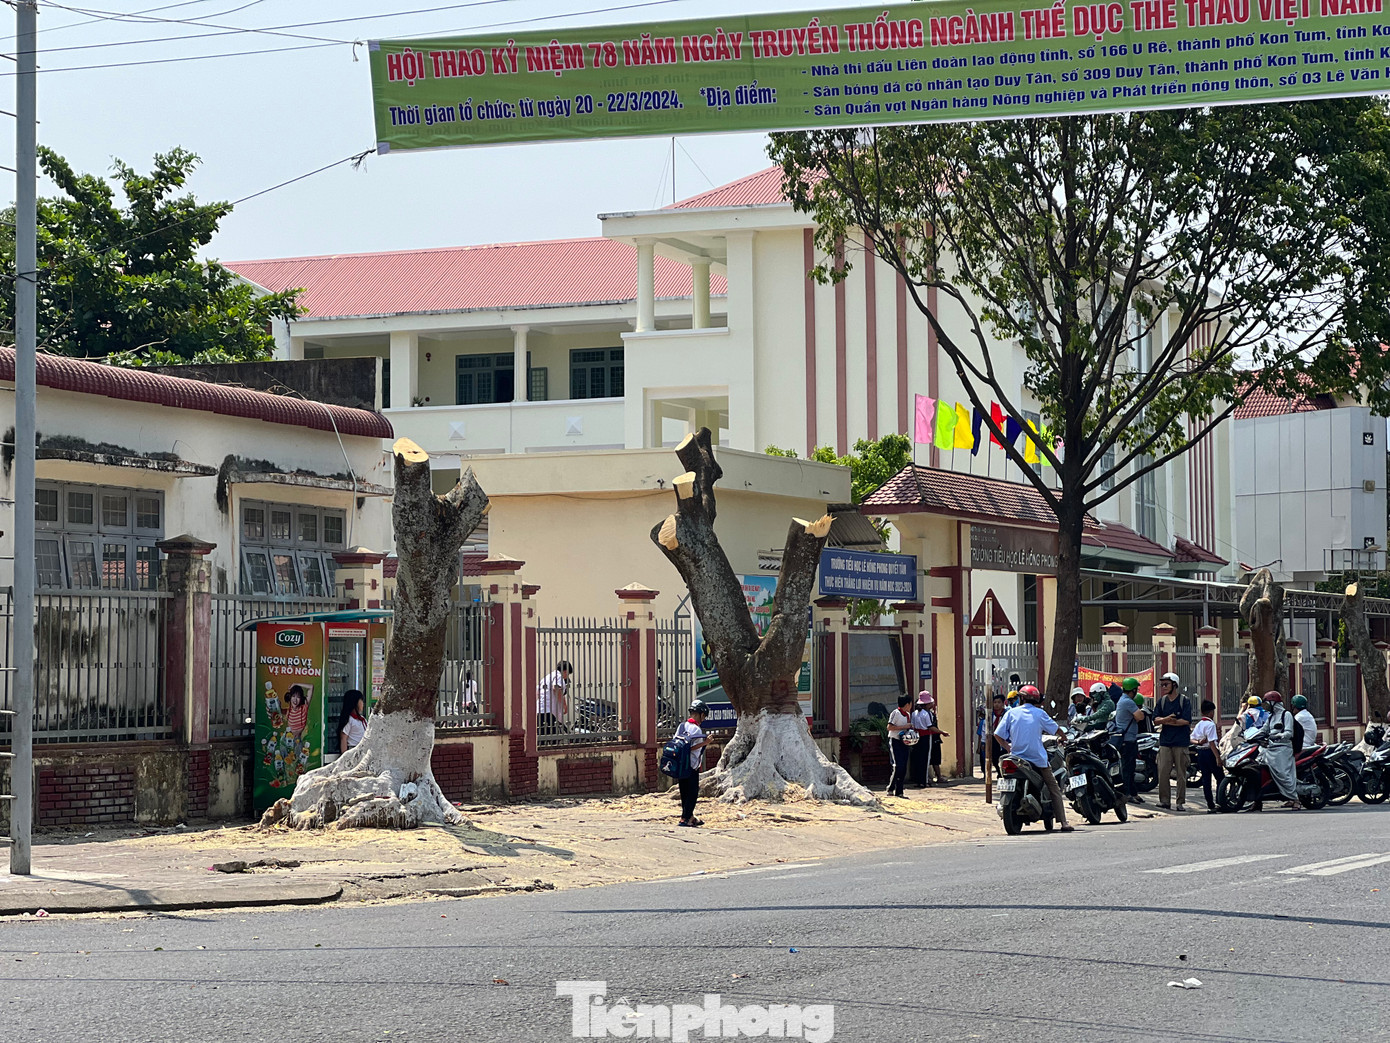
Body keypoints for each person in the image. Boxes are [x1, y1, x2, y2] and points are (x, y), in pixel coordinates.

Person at [994, 684, 1074, 832]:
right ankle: (1063, 822)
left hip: (1016, 758)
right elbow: (1056, 729)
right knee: (1054, 788)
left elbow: (997, 734)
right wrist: (1064, 738)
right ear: (1036, 700)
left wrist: (1007, 747)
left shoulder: (1011, 713)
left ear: (1021, 699)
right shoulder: (1039, 713)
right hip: (1037, 759)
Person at [1152, 671, 1194, 811]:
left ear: (1174, 685)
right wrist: (1167, 720)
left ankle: (1180, 802)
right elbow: (1155, 720)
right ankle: (1164, 801)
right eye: (1162, 684)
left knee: (1181, 774)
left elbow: (1186, 721)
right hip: (1165, 742)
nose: (1163, 687)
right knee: (1163, 773)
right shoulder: (1162, 701)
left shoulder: (1184, 701)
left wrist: (1169, 722)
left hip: (1181, 742)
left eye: (1166, 684)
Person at [1254, 691, 1301, 810]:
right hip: (1269, 748)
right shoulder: (1271, 717)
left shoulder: (1286, 715)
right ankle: (1257, 800)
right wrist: (1251, 735)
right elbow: (1264, 730)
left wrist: (1278, 736)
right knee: (1257, 769)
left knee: (1283, 774)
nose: (1266, 706)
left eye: (1268, 703)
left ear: (1274, 703)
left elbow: (1289, 733)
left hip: (1282, 748)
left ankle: (1295, 799)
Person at [1110, 677, 1147, 804]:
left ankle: (1133, 793)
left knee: (1131, 768)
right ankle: (1127, 794)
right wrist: (1138, 714)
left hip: (1128, 739)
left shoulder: (1123, 700)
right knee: (1128, 769)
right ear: (1133, 690)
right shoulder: (1128, 702)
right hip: (1127, 741)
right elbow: (1140, 716)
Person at [675, 699, 711, 827]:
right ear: (701, 714)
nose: (703, 719)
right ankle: (685, 819)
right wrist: (705, 743)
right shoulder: (696, 729)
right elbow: (691, 748)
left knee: (684, 792)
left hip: (681, 765)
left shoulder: (682, 726)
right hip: (692, 765)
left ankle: (689, 816)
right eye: (704, 716)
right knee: (692, 792)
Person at [1191, 699, 1223, 813]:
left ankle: (1210, 804)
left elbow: (1191, 739)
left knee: (1206, 779)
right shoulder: (1211, 724)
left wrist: (1199, 742)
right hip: (1210, 752)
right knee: (1220, 778)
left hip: (1201, 753)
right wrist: (1218, 757)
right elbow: (1212, 742)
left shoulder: (1199, 724)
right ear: (1211, 712)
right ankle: (1220, 802)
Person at [886, 694, 914, 798]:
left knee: (903, 766)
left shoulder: (908, 715)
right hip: (895, 741)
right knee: (897, 765)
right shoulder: (896, 713)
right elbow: (889, 727)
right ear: (907, 704)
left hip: (904, 742)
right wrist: (903, 727)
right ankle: (891, 787)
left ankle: (899, 790)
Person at [537, 660, 572, 735]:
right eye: (568, 674)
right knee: (553, 735)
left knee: (542, 735)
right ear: (565, 671)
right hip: (549, 711)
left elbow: (538, 692)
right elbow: (556, 688)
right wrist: (564, 705)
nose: (567, 676)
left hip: (540, 709)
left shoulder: (547, 677)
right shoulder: (558, 676)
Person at [921, 693, 948, 784]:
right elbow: (931, 727)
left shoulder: (920, 714)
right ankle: (935, 776)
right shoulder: (927, 714)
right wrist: (941, 732)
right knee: (933, 758)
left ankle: (931, 776)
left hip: (928, 738)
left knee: (929, 758)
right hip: (931, 738)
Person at [909, 694, 932, 787]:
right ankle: (924, 781)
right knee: (925, 759)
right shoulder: (926, 714)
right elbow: (930, 726)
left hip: (916, 737)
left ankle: (918, 780)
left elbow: (912, 726)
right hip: (925, 737)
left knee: (917, 759)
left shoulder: (913, 714)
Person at [337, 690, 367, 754]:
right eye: (361, 701)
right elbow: (343, 738)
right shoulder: (349, 719)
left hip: (363, 750)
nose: (363, 704)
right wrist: (345, 756)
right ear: (355, 703)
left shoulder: (362, 719)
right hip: (353, 750)